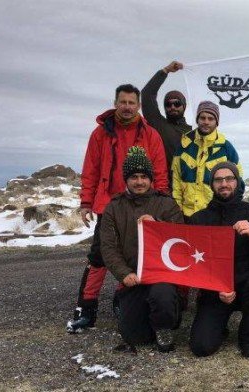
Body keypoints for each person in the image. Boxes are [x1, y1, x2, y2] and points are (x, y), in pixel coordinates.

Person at [66, 84, 169, 333]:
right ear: (115, 103)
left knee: (137, 255)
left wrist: (161, 200)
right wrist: (86, 202)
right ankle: (86, 310)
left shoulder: (150, 134)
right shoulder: (100, 134)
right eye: (122, 102)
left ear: (139, 105)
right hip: (108, 205)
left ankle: (125, 302)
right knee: (99, 256)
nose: (127, 107)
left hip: (142, 203)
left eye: (131, 102)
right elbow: (90, 169)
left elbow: (159, 170)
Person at [100, 146, 183, 352]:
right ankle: (124, 303)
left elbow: (180, 238)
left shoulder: (167, 204)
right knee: (136, 337)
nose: (139, 182)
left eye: (144, 176)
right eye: (134, 177)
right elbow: (109, 247)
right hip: (133, 277)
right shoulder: (113, 207)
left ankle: (164, 327)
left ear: (151, 178)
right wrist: (123, 273)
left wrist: (156, 224)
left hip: (162, 275)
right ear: (126, 179)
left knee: (163, 298)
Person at [187, 162, 249, 358]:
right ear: (212, 184)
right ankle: (219, 326)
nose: (224, 183)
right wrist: (215, 288)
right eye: (218, 179)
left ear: (237, 182)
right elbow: (190, 264)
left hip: (245, 286)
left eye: (229, 178)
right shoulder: (199, 219)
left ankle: (247, 336)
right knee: (201, 347)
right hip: (214, 291)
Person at [172, 101, 243, 218]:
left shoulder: (226, 148)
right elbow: (176, 179)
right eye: (202, 118)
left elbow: (238, 182)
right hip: (187, 214)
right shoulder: (184, 145)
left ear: (217, 122)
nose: (206, 122)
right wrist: (177, 207)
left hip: (215, 214)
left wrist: (230, 210)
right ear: (197, 120)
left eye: (210, 119)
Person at [141, 61, 192, 182]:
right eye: (168, 104)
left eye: (177, 103)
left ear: (184, 106)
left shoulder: (193, 131)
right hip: (162, 188)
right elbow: (147, 94)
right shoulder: (158, 124)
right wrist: (165, 71)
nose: (173, 107)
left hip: (188, 190)